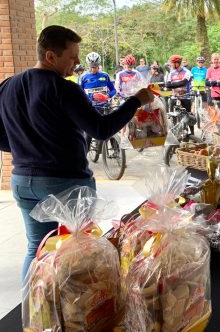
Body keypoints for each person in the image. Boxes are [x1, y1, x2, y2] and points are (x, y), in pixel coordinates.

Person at [0, 25, 154, 279]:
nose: (78, 62)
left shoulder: (7, 86)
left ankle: (33, 309)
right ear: (51, 56)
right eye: (72, 56)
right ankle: (78, 309)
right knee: (82, 247)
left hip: (22, 181)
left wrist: (23, 147)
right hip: (65, 184)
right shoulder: (63, 88)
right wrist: (136, 101)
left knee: (36, 248)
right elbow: (101, 129)